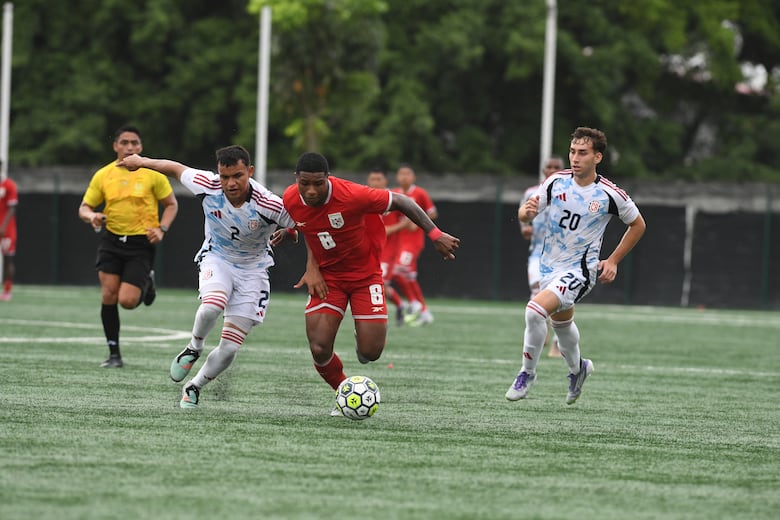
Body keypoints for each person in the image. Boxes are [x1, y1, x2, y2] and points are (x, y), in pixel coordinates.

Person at [280, 152, 459, 415]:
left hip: (366, 276)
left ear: (327, 179)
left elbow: (401, 201)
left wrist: (435, 233)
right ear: (296, 179)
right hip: (329, 278)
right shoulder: (290, 198)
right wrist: (309, 261)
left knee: (370, 352)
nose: (311, 190)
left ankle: (362, 339)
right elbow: (307, 227)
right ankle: (345, 393)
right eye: (304, 183)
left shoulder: (352, 195)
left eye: (318, 183)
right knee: (319, 347)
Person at [117, 145, 296, 409]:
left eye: (237, 176)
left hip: (254, 270)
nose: (231, 183)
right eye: (225, 177)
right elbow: (175, 168)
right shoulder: (207, 185)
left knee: (231, 347)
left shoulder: (270, 204)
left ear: (250, 171)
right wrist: (141, 161)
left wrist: (291, 233)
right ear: (218, 174)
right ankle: (194, 347)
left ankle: (194, 387)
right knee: (212, 305)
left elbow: (302, 224)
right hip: (218, 258)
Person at [505, 127, 645, 404]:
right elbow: (525, 213)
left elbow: (638, 224)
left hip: (580, 271)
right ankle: (578, 369)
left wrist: (613, 260)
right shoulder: (556, 182)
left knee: (534, 311)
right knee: (562, 324)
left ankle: (527, 374)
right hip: (549, 267)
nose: (575, 158)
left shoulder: (609, 194)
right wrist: (526, 213)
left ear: (597, 157)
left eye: (583, 153)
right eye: (572, 152)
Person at [79, 125, 178, 368]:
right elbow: (84, 208)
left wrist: (161, 229)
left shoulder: (153, 174)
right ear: (116, 146)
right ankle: (114, 355)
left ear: (141, 147)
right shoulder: (104, 174)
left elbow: (172, 204)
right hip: (111, 240)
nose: (130, 147)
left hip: (140, 244)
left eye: (134, 142)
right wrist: (92, 217)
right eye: (124, 142)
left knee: (128, 301)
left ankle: (147, 281)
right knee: (108, 294)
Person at [520, 155, 565, 357]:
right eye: (549, 166)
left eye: (557, 166)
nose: (553, 169)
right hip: (538, 252)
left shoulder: (569, 193)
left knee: (561, 297)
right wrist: (525, 227)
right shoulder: (532, 193)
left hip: (562, 254)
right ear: (544, 170)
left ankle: (557, 343)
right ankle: (542, 327)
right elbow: (523, 215)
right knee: (537, 290)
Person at [390, 164, 438, 326]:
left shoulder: (419, 193)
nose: (404, 177)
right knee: (409, 277)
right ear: (397, 177)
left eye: (407, 174)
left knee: (397, 271)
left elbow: (432, 212)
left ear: (413, 177)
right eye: (401, 174)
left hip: (413, 242)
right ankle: (424, 312)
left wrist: (417, 223)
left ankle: (413, 303)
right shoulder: (394, 193)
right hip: (399, 241)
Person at [366, 168, 408, 326]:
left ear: (385, 182)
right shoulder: (366, 199)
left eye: (378, 179)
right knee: (377, 284)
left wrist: (392, 229)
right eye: (372, 179)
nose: (375, 183)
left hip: (389, 250)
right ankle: (399, 305)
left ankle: (378, 318)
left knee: (380, 283)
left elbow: (407, 222)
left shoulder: (393, 200)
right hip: (371, 249)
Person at [0, 171, 18, 301]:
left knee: (8, 260)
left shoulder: (9, 185)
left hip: (6, 230)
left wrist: (3, 227)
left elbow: (12, 208)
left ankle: (7, 291)